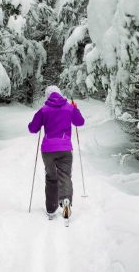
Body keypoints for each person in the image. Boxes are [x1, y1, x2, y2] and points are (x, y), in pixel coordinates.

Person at [28, 86, 85, 220]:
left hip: (48, 150)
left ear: (47, 96)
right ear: (60, 94)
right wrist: (75, 108)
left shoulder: (44, 110)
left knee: (51, 177)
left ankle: (51, 208)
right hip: (65, 149)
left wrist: (40, 119)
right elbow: (80, 122)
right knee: (65, 176)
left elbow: (32, 129)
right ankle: (66, 202)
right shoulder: (69, 108)